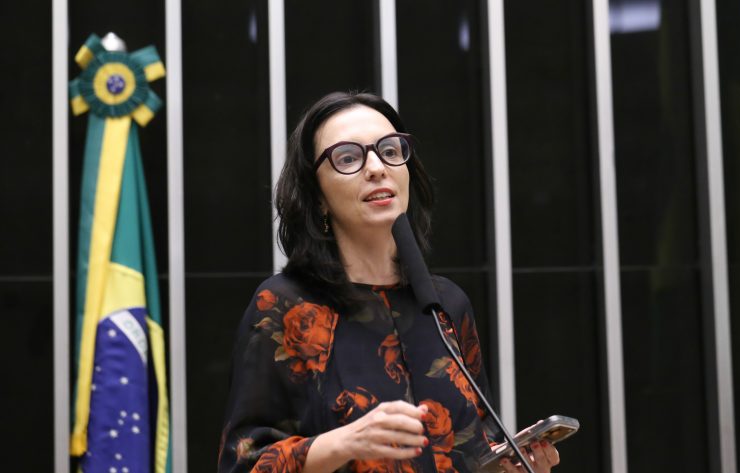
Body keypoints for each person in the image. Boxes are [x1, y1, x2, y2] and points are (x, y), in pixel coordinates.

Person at [217, 91, 560, 473]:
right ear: (317, 197)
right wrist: (343, 443)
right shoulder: (285, 305)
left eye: (390, 151)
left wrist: (510, 465)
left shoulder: (446, 304)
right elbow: (243, 463)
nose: (376, 167)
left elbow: (478, 443)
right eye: (348, 157)